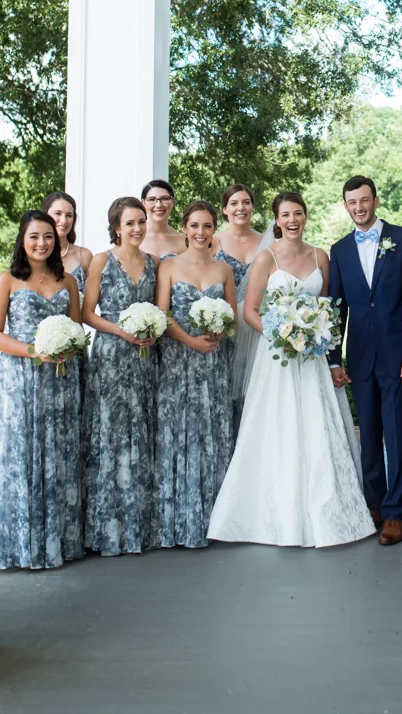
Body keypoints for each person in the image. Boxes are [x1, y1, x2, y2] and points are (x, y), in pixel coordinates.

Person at [207, 192, 374, 548]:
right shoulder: (266, 258)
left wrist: (316, 337)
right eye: (285, 215)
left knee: (316, 426)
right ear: (277, 220)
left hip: (311, 357)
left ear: (305, 216)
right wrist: (281, 335)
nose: (292, 220)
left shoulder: (320, 256)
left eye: (298, 213)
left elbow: (326, 308)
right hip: (278, 356)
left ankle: (326, 512)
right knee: (278, 426)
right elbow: (250, 310)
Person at [0, 211, 84, 570]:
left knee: (57, 452)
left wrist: (67, 348)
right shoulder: (6, 279)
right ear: (22, 240)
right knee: (20, 453)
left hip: (60, 379)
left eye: (48, 236)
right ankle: (18, 544)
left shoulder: (68, 281)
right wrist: (33, 351)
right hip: (20, 379)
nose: (42, 243)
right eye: (34, 236)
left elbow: (76, 328)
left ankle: (56, 541)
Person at [328, 176, 402, 546]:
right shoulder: (340, 249)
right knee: (368, 435)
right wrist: (334, 360)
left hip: (399, 356)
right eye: (352, 202)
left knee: (398, 435)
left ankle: (395, 513)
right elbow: (337, 308)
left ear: (376, 200)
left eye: (364, 200)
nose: (359, 207)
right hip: (361, 357)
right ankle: (374, 505)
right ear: (346, 205)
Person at [154, 202, 236, 548]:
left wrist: (218, 329)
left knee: (211, 432)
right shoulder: (169, 266)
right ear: (185, 228)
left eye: (207, 226)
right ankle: (178, 521)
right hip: (179, 361)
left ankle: (215, 520)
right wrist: (190, 340)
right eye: (194, 226)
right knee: (180, 432)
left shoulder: (224, 269)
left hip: (214, 362)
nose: (200, 232)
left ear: (214, 229)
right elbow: (162, 314)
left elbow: (232, 317)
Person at [82, 197, 159, 555]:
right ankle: (107, 527)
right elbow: (87, 313)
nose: (137, 228)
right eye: (130, 223)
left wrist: (150, 330)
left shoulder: (154, 263)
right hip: (111, 356)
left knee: (141, 430)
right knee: (110, 432)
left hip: (144, 357)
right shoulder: (102, 260)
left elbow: (160, 309)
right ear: (116, 227)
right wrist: (120, 331)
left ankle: (139, 525)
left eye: (141, 221)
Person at [214, 182, 264, 430]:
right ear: (224, 209)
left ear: (253, 207)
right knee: (226, 394)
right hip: (225, 330)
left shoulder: (267, 242)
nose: (240, 208)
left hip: (257, 330)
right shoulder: (212, 242)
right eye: (233, 203)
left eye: (246, 202)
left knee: (257, 395)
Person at [41, 190, 93, 295]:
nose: (64, 221)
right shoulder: (35, 254)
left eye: (69, 215)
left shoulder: (84, 255)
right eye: (58, 213)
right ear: (45, 215)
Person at [141, 178, 186, 258]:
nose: (158, 205)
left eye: (164, 198)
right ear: (143, 203)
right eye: (152, 199)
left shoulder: (184, 241)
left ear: (172, 201)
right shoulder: (135, 238)